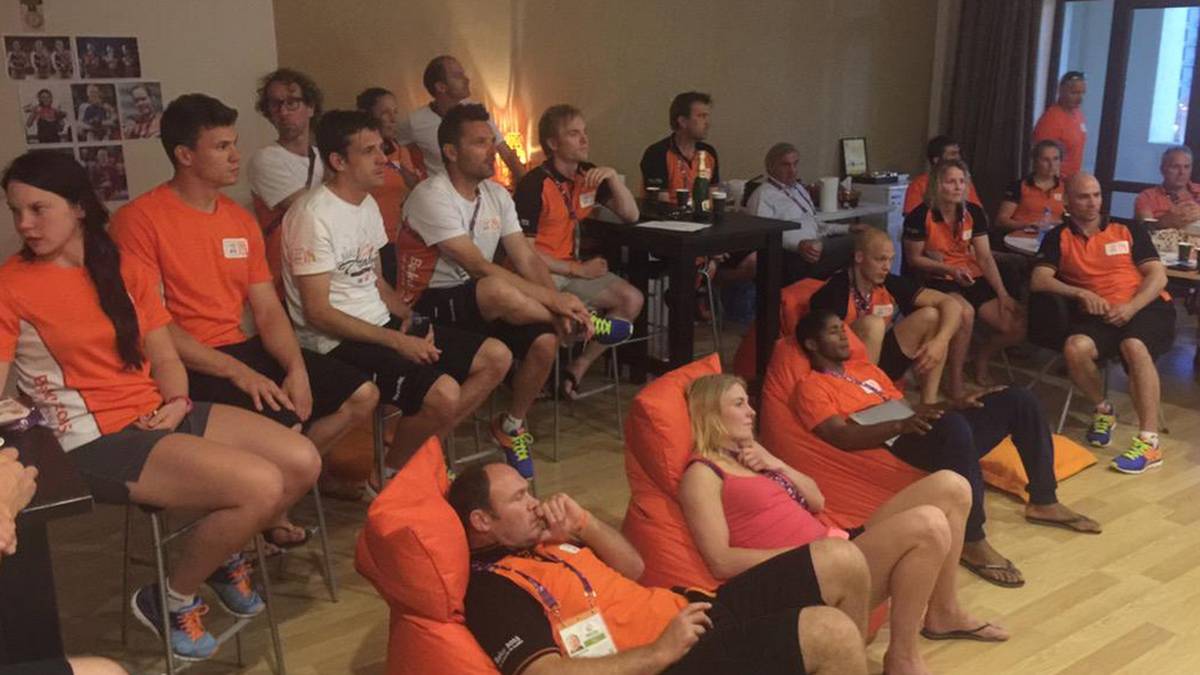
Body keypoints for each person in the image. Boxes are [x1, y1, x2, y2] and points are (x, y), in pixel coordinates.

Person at [0, 151, 321, 660]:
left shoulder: (120, 265)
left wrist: (176, 400)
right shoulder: (12, 285)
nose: (24, 224)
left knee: (301, 460)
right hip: (91, 438)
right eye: (16, 211)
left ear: (79, 207)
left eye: (38, 209)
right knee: (259, 484)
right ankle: (170, 598)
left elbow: (165, 355)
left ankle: (219, 553)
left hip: (153, 413)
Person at [110, 94, 377, 517]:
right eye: (222, 147)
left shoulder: (238, 217)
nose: (236, 156)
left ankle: (276, 498)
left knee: (361, 394)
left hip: (240, 347)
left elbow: (267, 309)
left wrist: (295, 368)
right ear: (184, 155)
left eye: (234, 144)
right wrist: (240, 373)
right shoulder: (138, 220)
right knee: (284, 423)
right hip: (186, 360)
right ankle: (262, 509)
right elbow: (152, 325)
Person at [679, 374, 1007, 675]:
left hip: (837, 542)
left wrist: (775, 463)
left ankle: (943, 611)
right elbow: (720, 560)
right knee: (929, 524)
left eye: (748, 402)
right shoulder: (703, 474)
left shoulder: (752, 456)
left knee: (953, 485)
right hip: (817, 566)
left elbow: (817, 500)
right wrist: (811, 553)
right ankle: (902, 657)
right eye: (739, 404)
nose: (751, 411)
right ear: (711, 412)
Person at [450, 461, 871, 674]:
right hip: (668, 662)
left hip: (692, 613)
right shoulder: (492, 590)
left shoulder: (544, 542)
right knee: (829, 632)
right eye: (519, 498)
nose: (534, 503)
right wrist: (658, 652)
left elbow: (634, 566)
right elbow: (543, 673)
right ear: (482, 521)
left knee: (841, 559)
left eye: (529, 492)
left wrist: (584, 524)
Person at [794, 309, 1100, 588]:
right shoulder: (811, 386)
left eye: (843, 329)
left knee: (1019, 399)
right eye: (833, 331)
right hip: (889, 441)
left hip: (912, 427)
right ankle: (971, 539)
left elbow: (910, 408)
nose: (844, 336)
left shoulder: (865, 371)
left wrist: (954, 403)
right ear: (811, 343)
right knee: (954, 427)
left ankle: (1044, 500)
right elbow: (841, 436)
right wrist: (900, 426)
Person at [398, 104, 618, 479]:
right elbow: (478, 266)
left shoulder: (496, 195)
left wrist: (558, 301)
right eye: (480, 143)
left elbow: (526, 257)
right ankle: (582, 323)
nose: (493, 151)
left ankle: (512, 424)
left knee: (544, 341)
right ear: (451, 152)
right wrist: (558, 302)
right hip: (427, 302)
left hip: (477, 301)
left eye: (492, 141)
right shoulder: (431, 194)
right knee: (494, 286)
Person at [283, 109, 509, 470]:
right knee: (443, 392)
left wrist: (411, 318)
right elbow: (318, 313)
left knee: (495, 356)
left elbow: (375, 281)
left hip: (378, 324)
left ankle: (412, 457)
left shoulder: (366, 204)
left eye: (381, 148)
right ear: (338, 161)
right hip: (332, 341)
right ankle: (393, 474)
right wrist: (397, 342)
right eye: (368, 151)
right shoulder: (312, 215)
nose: (383, 159)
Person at [1031, 174, 1175, 473]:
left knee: (1133, 345)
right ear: (1068, 201)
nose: (1092, 202)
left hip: (1145, 306)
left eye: (1096, 195)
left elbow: (1158, 275)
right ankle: (1103, 410)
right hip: (1101, 314)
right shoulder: (1058, 236)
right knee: (1075, 347)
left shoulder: (1127, 228)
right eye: (1084, 196)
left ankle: (1149, 443)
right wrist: (1080, 293)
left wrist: (1131, 307)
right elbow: (1039, 280)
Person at [515, 104, 641, 399]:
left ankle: (578, 366)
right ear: (553, 143)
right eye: (574, 134)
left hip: (571, 269)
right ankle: (575, 334)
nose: (584, 140)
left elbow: (631, 215)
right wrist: (577, 270)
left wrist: (612, 177)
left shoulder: (588, 175)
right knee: (564, 316)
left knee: (631, 299)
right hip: (540, 271)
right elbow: (525, 253)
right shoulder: (534, 184)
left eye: (585, 132)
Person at [903, 159, 1026, 397]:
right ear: (937, 185)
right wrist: (949, 270)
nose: (958, 187)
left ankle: (981, 357)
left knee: (1016, 324)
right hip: (937, 278)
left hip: (971, 275)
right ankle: (955, 379)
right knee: (964, 313)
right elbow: (913, 259)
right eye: (951, 182)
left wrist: (1002, 294)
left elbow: (985, 257)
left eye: (962, 181)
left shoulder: (973, 212)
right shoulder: (920, 215)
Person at [811, 229, 962, 404]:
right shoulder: (836, 289)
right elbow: (824, 345)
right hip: (847, 366)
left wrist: (940, 342)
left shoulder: (887, 281)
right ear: (859, 257)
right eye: (880, 259)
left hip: (881, 359)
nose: (887, 267)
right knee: (873, 324)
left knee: (932, 316)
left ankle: (929, 404)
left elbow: (951, 304)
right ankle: (871, 400)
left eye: (891, 260)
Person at [248, 68, 326, 292]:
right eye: (276, 104)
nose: (283, 112)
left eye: (292, 103)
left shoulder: (324, 156)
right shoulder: (266, 159)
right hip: (288, 277)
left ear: (310, 107)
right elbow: (309, 212)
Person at [399, 55, 525, 179]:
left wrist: (527, 184)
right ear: (441, 87)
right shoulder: (415, 122)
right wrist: (414, 183)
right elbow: (395, 153)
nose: (466, 80)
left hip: (479, 187)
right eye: (458, 76)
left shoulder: (476, 113)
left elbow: (506, 153)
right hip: (440, 189)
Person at [747, 142, 856, 282]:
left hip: (816, 247)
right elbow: (763, 237)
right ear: (771, 167)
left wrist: (847, 228)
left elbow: (815, 225)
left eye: (795, 164)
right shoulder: (763, 195)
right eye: (785, 165)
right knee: (858, 243)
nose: (792, 170)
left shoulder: (799, 189)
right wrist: (798, 246)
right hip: (790, 258)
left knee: (860, 238)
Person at [355, 86, 427, 287]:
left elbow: (415, 188)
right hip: (371, 241)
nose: (393, 119)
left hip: (400, 239)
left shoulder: (400, 150)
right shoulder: (358, 155)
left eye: (395, 112)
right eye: (385, 113)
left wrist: (399, 164)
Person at [640, 91, 719, 203]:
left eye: (707, 117)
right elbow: (661, 204)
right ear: (682, 121)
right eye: (701, 116)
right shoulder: (657, 153)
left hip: (701, 213)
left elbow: (712, 197)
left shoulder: (708, 153)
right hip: (668, 213)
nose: (707, 123)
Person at [995, 140, 1065, 244]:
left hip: (1052, 242)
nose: (1051, 164)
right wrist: (1028, 225)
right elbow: (1001, 221)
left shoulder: (1066, 188)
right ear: (1035, 161)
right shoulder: (1018, 186)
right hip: (1020, 240)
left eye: (1056, 159)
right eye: (1045, 159)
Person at [902, 136, 984, 216]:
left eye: (958, 153)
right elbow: (912, 218)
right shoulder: (919, 184)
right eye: (953, 154)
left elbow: (978, 213)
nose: (958, 157)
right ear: (937, 160)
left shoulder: (964, 181)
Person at [1033, 71, 1088, 179]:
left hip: (1073, 180)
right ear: (1060, 90)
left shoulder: (1078, 115)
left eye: (1082, 93)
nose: (1080, 98)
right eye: (1074, 93)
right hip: (1056, 182)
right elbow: (1042, 161)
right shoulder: (1050, 120)